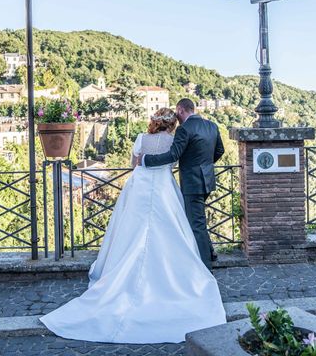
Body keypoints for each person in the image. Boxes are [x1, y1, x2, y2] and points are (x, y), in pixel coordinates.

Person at [40, 108, 226, 344]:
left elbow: (133, 164)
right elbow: (175, 158)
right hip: (164, 188)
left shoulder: (140, 138)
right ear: (171, 124)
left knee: (130, 231)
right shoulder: (174, 139)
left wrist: (145, 161)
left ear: (153, 122)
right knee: (172, 231)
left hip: (139, 186)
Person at [140, 99, 225, 270]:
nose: (176, 117)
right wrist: (206, 165)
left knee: (196, 223)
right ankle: (210, 252)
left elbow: (173, 155)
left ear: (180, 110)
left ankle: (205, 267)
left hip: (192, 182)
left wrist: (147, 160)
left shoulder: (184, 129)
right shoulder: (212, 126)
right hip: (208, 179)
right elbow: (220, 151)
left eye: (177, 113)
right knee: (198, 217)